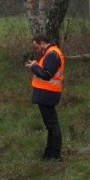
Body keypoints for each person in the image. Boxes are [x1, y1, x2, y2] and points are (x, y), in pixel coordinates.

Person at [25, 33, 65, 161]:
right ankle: (49, 155)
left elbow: (47, 74)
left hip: (48, 93)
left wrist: (34, 67)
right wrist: (36, 66)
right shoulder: (49, 53)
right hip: (46, 93)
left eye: (37, 47)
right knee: (50, 126)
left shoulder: (52, 54)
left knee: (53, 126)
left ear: (42, 43)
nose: (37, 50)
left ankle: (55, 155)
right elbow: (46, 71)